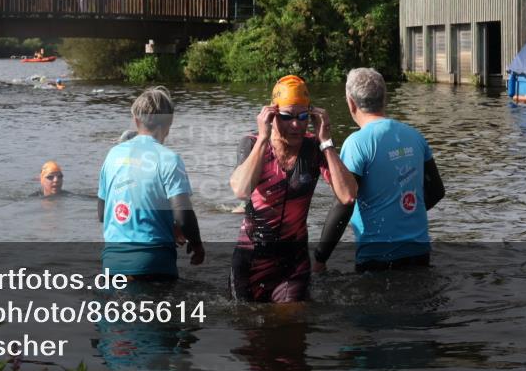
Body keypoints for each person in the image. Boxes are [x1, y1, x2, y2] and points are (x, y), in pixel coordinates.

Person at [228, 75, 357, 303]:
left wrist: (326, 141)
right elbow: (241, 190)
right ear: (272, 114)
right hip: (251, 261)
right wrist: (263, 139)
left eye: (303, 116)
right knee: (249, 330)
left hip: (293, 264)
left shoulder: (314, 149)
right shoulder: (251, 143)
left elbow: (348, 196)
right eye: (287, 116)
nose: (296, 124)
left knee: (292, 326)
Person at [314, 68, 445, 272]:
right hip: (419, 251)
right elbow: (437, 191)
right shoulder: (415, 136)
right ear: (385, 98)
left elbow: (343, 203)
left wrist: (320, 258)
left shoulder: (357, 143)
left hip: (376, 257)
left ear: (350, 102)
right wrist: (402, 214)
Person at [98, 87, 204, 279]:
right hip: (154, 262)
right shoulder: (169, 159)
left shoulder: (113, 154)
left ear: (136, 120)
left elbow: (102, 213)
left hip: (113, 263)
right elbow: (183, 216)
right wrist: (197, 244)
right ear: (169, 123)